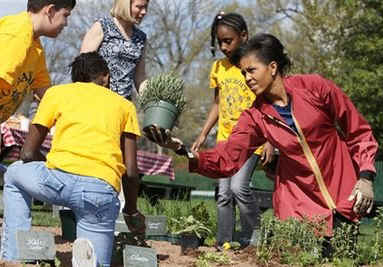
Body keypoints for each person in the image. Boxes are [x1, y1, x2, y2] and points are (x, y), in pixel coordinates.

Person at [149, 33, 378, 236]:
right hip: (300, 208)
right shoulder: (254, 117)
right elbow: (227, 160)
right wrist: (181, 149)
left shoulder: (315, 88)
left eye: (251, 70)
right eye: (243, 73)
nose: (247, 78)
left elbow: (358, 131)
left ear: (272, 67)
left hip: (345, 196)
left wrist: (366, 177)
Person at [0, 52, 145, 267]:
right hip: (99, 190)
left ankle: (14, 256)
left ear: (76, 77)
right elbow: (131, 172)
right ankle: (87, 258)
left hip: (56, 181)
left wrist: (52, 165)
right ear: (105, 77)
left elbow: (27, 154)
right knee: (95, 259)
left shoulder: (57, 94)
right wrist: (131, 211)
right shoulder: (124, 106)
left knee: (13, 173)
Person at [191, 12, 272, 248]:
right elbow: (217, 103)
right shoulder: (219, 68)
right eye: (220, 42)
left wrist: (269, 140)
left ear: (243, 37)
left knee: (238, 187)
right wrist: (204, 133)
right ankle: (224, 242)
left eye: (229, 41)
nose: (224, 46)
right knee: (224, 194)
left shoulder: (253, 66)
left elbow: (267, 104)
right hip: (224, 140)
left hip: (250, 140)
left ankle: (255, 236)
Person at [0, 0, 76, 123]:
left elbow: (46, 94)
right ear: (50, 10)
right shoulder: (16, 34)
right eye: (65, 15)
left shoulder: (35, 48)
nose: (66, 23)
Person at [80, 0, 149, 100]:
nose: (144, 12)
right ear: (125, 5)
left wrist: (152, 101)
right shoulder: (103, 26)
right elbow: (82, 66)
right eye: (139, 7)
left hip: (123, 104)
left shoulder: (141, 38)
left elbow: (140, 78)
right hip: (97, 100)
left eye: (146, 7)